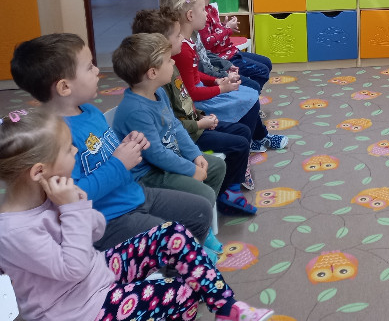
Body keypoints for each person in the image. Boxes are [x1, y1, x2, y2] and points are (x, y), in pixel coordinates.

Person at [0, 109, 274, 321]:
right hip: (77, 309)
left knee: (172, 233)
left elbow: (95, 231)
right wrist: (71, 210)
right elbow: (74, 268)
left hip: (95, 275)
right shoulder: (14, 231)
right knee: (183, 294)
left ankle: (227, 308)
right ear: (38, 171)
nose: (74, 150)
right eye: (67, 149)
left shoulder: (51, 192)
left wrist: (78, 205)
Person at [10, 33, 214, 250]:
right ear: (64, 87)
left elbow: (105, 151)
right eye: (89, 67)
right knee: (172, 240)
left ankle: (184, 258)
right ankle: (180, 262)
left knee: (200, 210)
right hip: (108, 218)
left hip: (133, 194)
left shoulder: (89, 111)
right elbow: (73, 194)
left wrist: (128, 144)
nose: (97, 70)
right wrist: (119, 162)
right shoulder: (54, 135)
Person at [132, 8, 258, 213]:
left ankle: (230, 187)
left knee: (242, 132)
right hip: (191, 132)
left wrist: (201, 116)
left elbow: (184, 102)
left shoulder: (169, 68)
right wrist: (199, 123)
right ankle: (228, 193)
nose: (182, 38)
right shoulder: (160, 81)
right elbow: (172, 123)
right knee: (239, 143)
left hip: (193, 125)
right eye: (177, 35)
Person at [161, 0, 287, 151]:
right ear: (190, 15)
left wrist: (216, 81)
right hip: (197, 101)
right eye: (203, 10)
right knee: (249, 97)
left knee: (250, 94)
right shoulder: (182, 49)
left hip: (203, 89)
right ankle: (251, 141)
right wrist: (221, 88)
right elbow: (191, 91)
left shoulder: (188, 40)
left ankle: (256, 137)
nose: (206, 13)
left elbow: (194, 73)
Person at [111, 33, 226, 210]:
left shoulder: (159, 92)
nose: (173, 62)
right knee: (205, 194)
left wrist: (195, 155)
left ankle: (197, 214)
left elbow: (175, 126)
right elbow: (156, 154)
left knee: (216, 166)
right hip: (149, 174)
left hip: (169, 160)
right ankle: (193, 219)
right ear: (153, 73)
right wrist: (191, 170)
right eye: (168, 60)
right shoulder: (136, 111)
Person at [185, 0, 272, 90]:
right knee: (262, 71)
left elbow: (213, 32)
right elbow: (207, 43)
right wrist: (226, 29)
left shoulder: (211, 9)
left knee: (266, 63)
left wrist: (224, 27)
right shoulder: (201, 15)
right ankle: (248, 92)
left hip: (229, 51)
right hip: (222, 57)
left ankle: (249, 90)